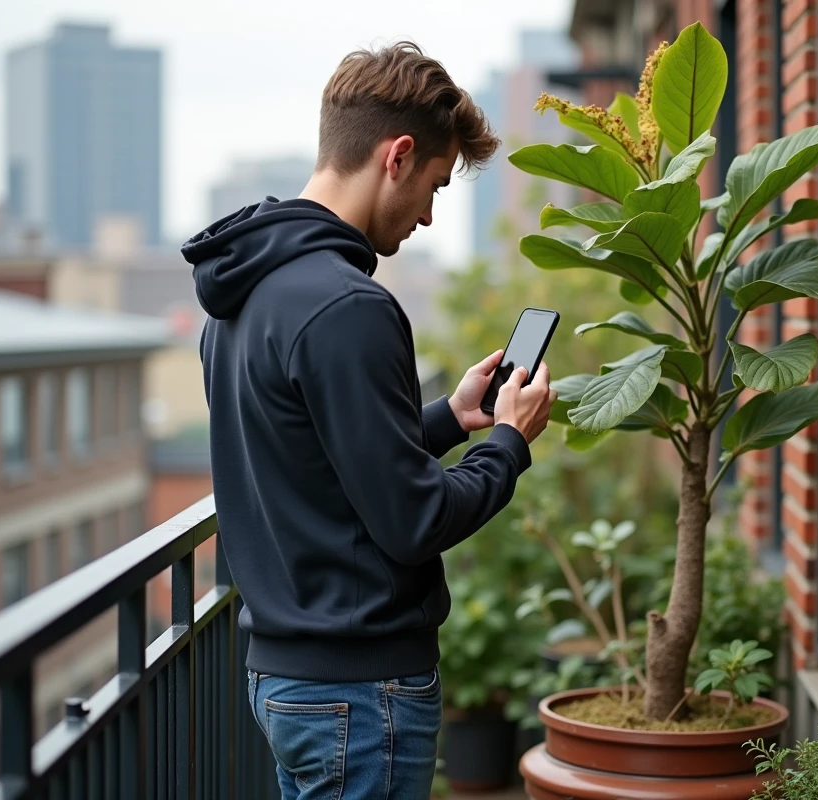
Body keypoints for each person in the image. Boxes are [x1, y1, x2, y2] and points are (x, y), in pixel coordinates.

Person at [182, 41, 555, 800]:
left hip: (288, 680)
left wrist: (452, 419)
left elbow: (314, 456)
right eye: (434, 187)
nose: (425, 214)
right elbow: (415, 518)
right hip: (360, 692)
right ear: (398, 154)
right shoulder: (349, 307)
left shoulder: (243, 293)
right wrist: (510, 443)